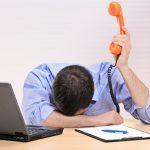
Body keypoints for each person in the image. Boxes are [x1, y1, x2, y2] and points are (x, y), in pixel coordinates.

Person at [22, 27, 150, 128]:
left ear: (94, 89)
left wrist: (124, 67)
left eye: (80, 113)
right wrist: (95, 120)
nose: (72, 117)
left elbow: (148, 116)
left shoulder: (109, 77)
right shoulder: (40, 77)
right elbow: (35, 118)